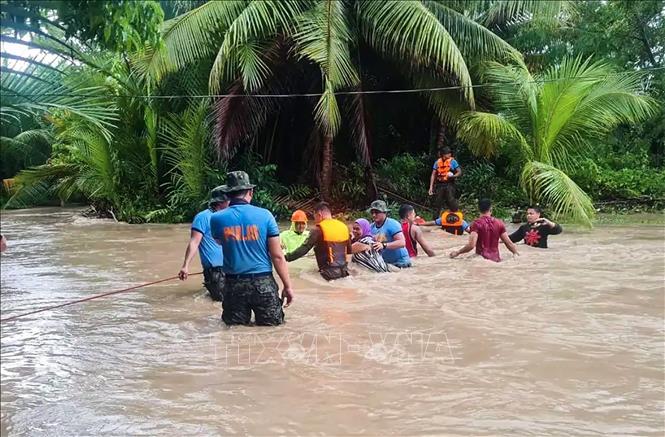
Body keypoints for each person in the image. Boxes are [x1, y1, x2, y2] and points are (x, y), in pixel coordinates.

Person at [210, 171, 293, 326]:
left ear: (228, 194)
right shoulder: (266, 215)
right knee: (272, 330)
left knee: (234, 332)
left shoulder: (216, 218)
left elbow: (220, 242)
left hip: (233, 284)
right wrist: (287, 286)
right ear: (250, 192)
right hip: (263, 283)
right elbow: (277, 256)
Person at [178, 187, 229, 301]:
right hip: (215, 272)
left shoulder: (229, 217)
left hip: (230, 268)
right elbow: (194, 242)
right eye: (229, 200)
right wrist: (185, 266)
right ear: (221, 202)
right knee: (221, 302)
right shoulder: (203, 217)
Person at [285, 202, 352, 281]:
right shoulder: (344, 227)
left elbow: (303, 249)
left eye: (315, 217)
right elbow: (349, 252)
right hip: (345, 272)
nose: (315, 221)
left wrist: (286, 257)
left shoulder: (318, 229)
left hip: (327, 275)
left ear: (319, 215)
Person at [450, 198, 519, 262]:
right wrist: (516, 253)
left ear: (478, 209)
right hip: (496, 260)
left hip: (481, 259)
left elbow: (471, 245)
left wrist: (458, 252)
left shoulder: (476, 224)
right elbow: (509, 243)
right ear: (491, 209)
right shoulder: (499, 223)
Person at [368, 200, 411, 268]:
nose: (374, 215)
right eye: (372, 212)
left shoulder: (392, 224)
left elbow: (402, 243)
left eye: (377, 212)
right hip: (386, 265)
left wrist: (384, 245)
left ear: (385, 212)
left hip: (401, 263)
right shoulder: (370, 227)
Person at [428, 146, 462, 217]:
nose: (450, 155)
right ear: (443, 154)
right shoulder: (437, 162)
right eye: (448, 153)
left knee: (451, 200)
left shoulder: (453, 161)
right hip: (440, 184)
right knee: (437, 202)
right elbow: (433, 174)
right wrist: (431, 187)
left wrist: (453, 176)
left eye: (450, 153)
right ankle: (435, 219)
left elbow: (459, 172)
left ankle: (456, 217)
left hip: (449, 184)